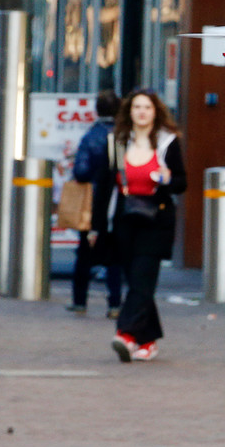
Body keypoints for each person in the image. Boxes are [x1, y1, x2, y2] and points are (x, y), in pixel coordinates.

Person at [106, 89, 185, 362]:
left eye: (147, 107)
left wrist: (166, 178)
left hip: (157, 221)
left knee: (141, 280)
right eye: (136, 107)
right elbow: (104, 185)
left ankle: (126, 335)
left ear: (155, 112)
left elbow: (182, 183)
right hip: (126, 221)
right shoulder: (117, 142)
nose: (141, 112)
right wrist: (95, 227)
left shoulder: (167, 142)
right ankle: (148, 340)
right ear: (129, 111)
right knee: (138, 282)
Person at [68, 89, 122, 318]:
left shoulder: (91, 136)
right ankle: (115, 304)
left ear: (96, 110)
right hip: (118, 202)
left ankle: (80, 301)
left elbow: (80, 171)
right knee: (115, 256)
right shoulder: (124, 135)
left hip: (92, 203)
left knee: (84, 253)